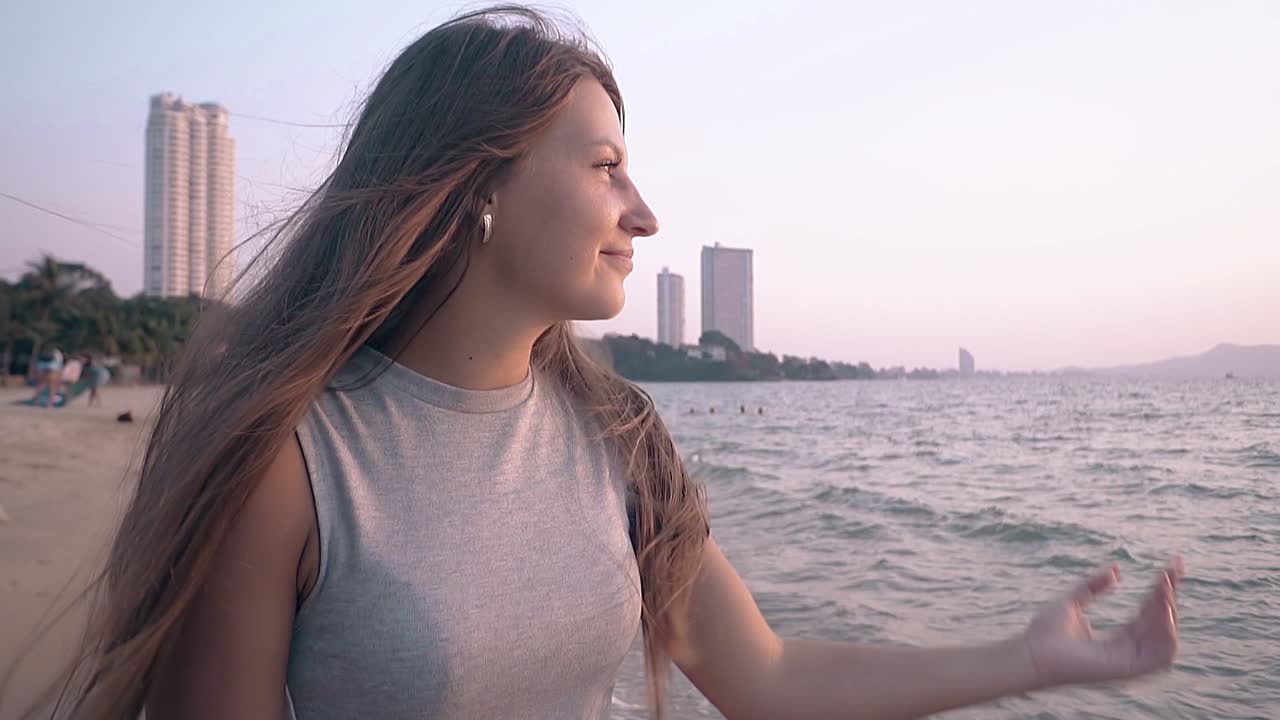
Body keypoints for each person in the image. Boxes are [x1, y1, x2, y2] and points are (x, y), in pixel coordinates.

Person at [36, 8, 1182, 720]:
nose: (643, 211)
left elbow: (767, 682)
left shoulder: (617, 433)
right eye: (604, 165)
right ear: (478, 184)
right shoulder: (292, 458)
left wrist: (1026, 660)